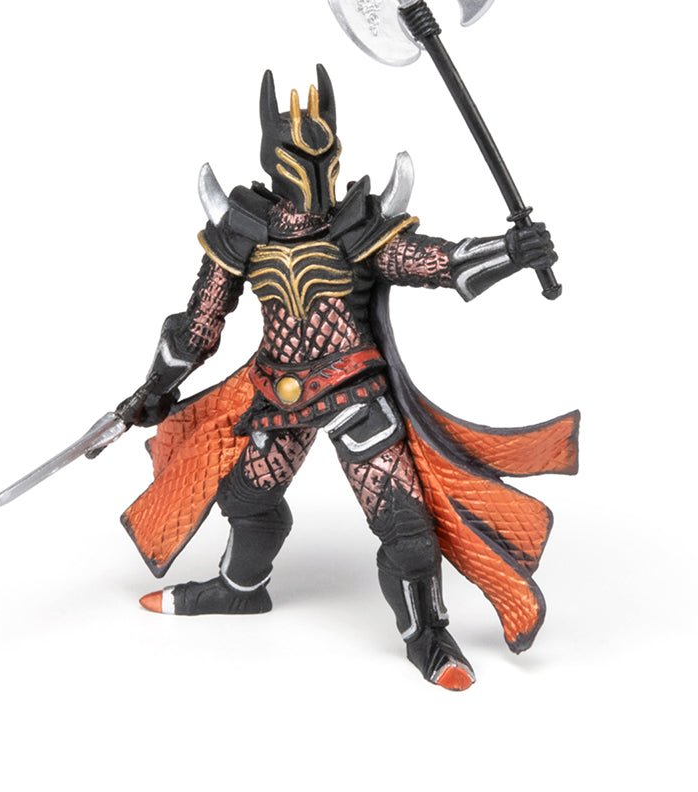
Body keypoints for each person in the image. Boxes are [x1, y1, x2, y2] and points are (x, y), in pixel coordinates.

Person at [116, 66, 577, 690]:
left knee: (406, 527)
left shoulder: (355, 228)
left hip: (355, 397)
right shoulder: (244, 232)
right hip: (275, 398)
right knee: (246, 499)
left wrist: (509, 252)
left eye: (321, 150)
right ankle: (242, 587)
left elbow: (433, 262)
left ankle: (427, 635)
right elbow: (199, 326)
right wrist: (152, 391)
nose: (309, 166)